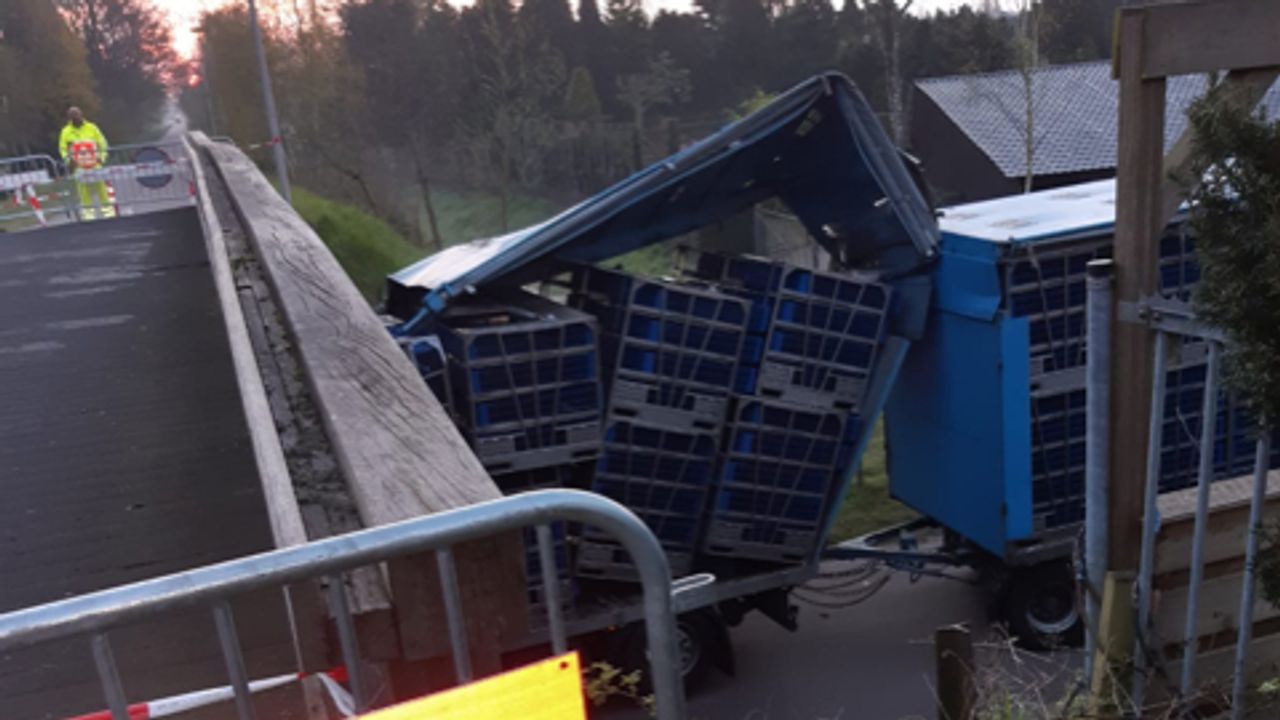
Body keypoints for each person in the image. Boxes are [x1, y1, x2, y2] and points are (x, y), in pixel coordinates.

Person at [58, 107, 114, 219]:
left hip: (95, 164)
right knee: (83, 192)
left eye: (77, 115)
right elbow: (62, 149)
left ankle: (108, 213)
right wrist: (68, 160)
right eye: (72, 116)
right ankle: (89, 215)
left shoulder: (92, 128)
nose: (75, 118)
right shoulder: (66, 132)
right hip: (79, 166)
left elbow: (102, 143)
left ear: (81, 115)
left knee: (101, 189)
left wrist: (102, 157)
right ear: (69, 118)